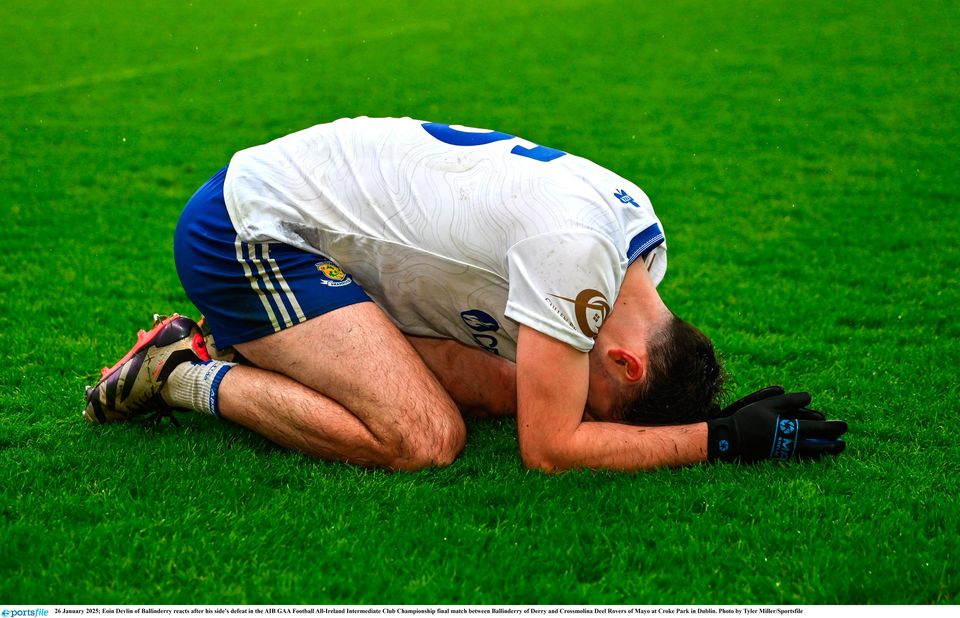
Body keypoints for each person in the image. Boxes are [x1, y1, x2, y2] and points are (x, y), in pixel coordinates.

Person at [84, 117, 847, 471]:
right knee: (424, 439)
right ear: (627, 363)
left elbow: (537, 396)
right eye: (599, 396)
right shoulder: (575, 260)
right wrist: (717, 440)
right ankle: (185, 369)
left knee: (510, 387)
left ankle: (276, 343)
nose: (584, 400)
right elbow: (550, 450)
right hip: (252, 231)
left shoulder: (641, 239)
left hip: (331, 213)